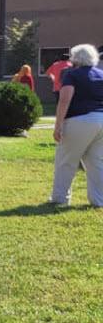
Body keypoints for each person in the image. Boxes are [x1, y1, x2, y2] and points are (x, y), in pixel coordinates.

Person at [49, 44, 103, 207]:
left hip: (80, 119)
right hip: (101, 119)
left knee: (66, 160)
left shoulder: (71, 74)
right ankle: (99, 200)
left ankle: (60, 198)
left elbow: (65, 100)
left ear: (75, 58)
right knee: (97, 162)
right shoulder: (101, 74)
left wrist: (58, 125)